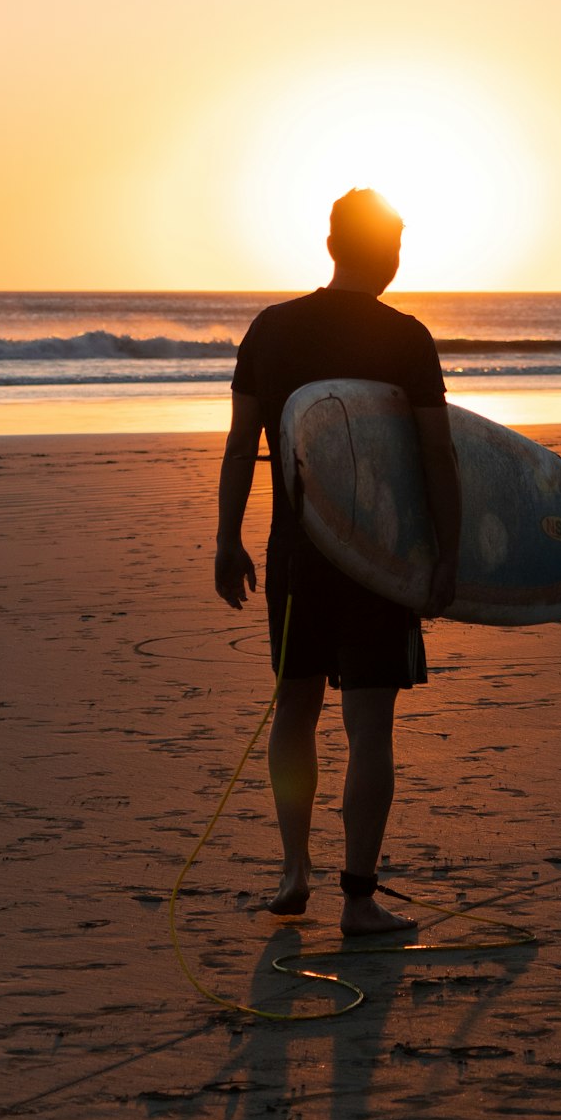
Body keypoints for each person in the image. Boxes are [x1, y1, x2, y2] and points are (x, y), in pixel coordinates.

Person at [214, 188, 461, 936]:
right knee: (369, 726)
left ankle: (294, 869)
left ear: (329, 247)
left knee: (294, 707)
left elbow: (241, 445)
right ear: (387, 255)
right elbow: (437, 456)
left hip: (295, 554)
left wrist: (228, 539)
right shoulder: (407, 338)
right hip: (376, 562)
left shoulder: (273, 328)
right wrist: (447, 555)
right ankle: (359, 900)